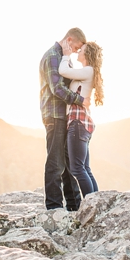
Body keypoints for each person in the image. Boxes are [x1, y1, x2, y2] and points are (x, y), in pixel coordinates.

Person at [39, 28, 90, 211]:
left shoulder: (63, 58)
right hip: (54, 115)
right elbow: (57, 89)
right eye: (76, 47)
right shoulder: (53, 56)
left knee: (69, 163)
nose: (77, 52)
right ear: (69, 40)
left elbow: (71, 80)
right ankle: (54, 208)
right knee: (55, 161)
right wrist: (80, 100)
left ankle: (74, 207)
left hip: (64, 116)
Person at [59, 41, 103, 198]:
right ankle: (96, 204)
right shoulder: (87, 72)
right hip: (82, 124)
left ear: (88, 54)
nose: (78, 52)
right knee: (85, 167)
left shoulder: (88, 71)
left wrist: (65, 55)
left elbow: (63, 71)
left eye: (81, 50)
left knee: (77, 168)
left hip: (78, 123)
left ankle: (91, 205)